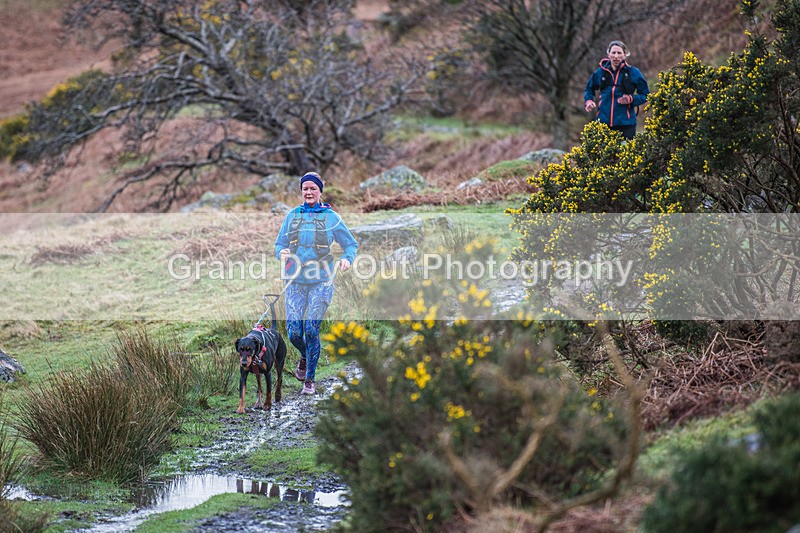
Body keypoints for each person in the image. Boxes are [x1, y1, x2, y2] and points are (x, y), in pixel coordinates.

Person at [275, 171, 358, 395]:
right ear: (301, 191)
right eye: (305, 189)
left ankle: (309, 380)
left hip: (322, 280)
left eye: (313, 188)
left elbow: (351, 245)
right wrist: (281, 252)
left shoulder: (332, 218)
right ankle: (305, 355)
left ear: (320, 191)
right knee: (294, 332)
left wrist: (347, 259)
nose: (309, 192)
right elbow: (279, 244)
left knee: (311, 329)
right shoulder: (292, 216)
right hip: (294, 280)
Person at [583, 40, 649, 140]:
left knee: (625, 150)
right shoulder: (601, 72)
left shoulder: (633, 73)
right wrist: (589, 101)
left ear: (625, 55)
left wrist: (631, 99)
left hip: (626, 124)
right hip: (603, 123)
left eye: (619, 53)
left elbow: (645, 95)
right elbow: (589, 89)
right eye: (613, 53)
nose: (616, 56)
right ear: (608, 54)